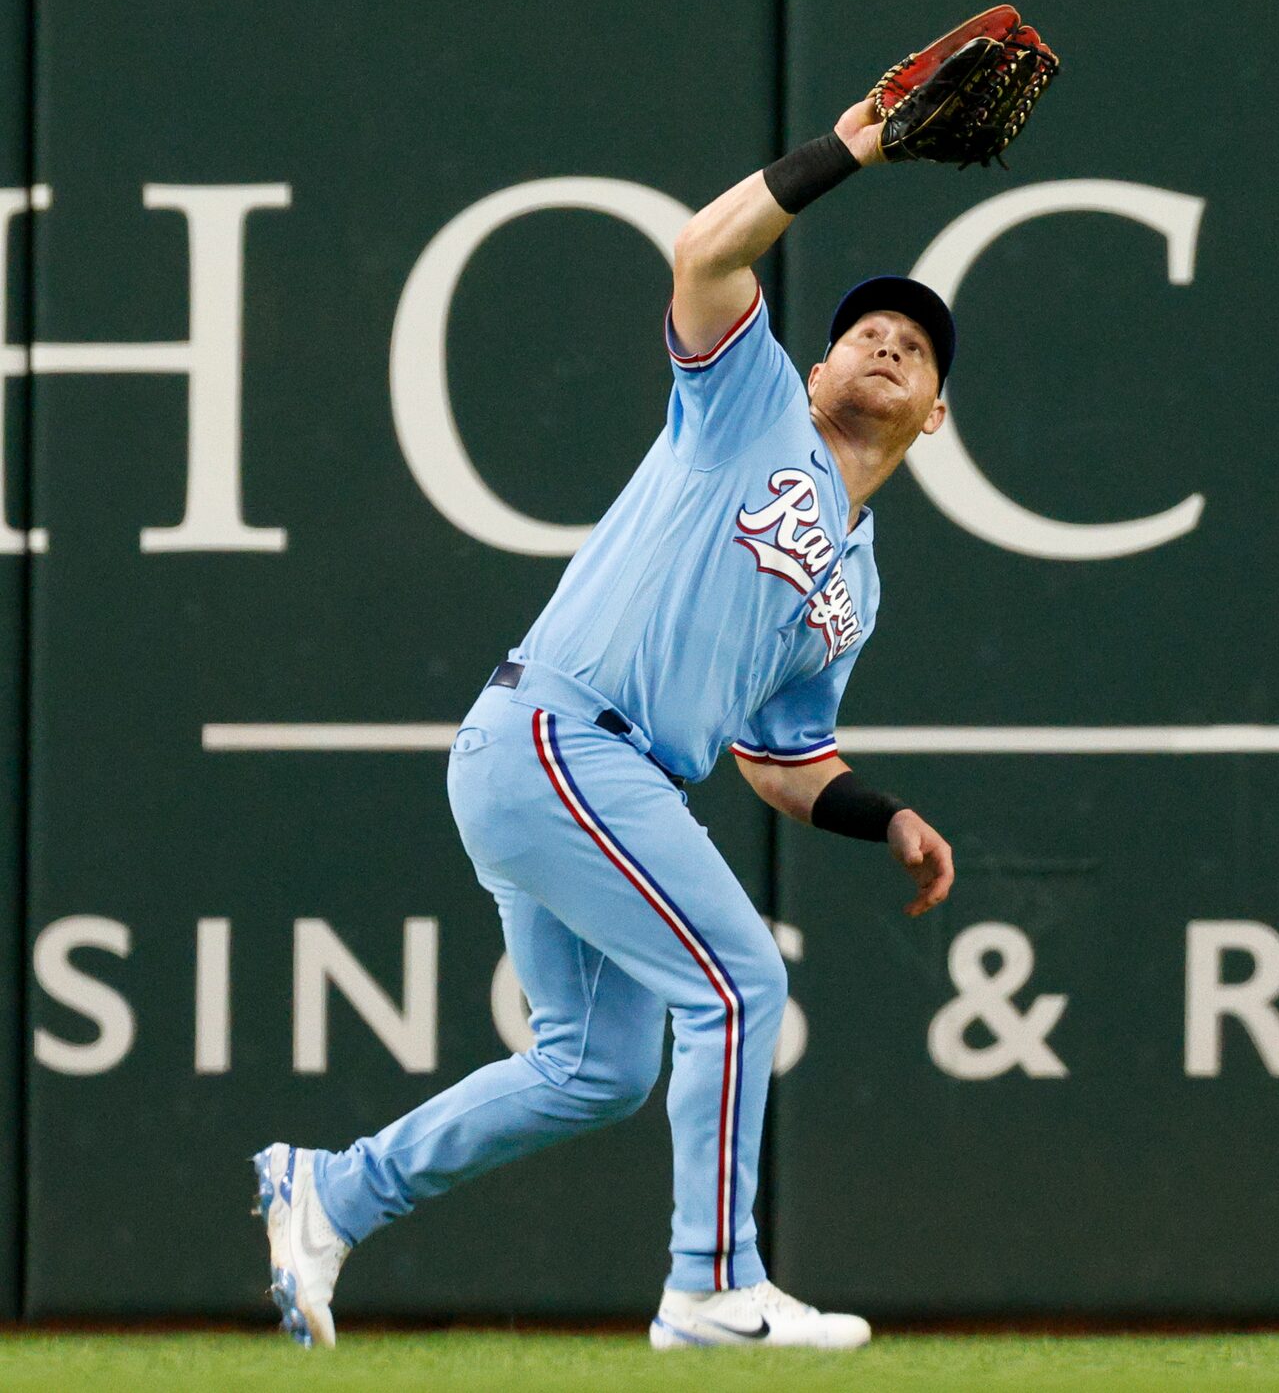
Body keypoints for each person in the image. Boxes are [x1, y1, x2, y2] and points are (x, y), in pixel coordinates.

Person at [253, 92, 958, 1350]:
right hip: (562, 736)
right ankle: (709, 1281)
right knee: (740, 983)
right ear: (817, 365)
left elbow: (781, 760)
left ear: (936, 414)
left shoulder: (858, 582)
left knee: (596, 1069)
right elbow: (702, 253)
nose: (890, 344)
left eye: (916, 344)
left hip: (578, 769)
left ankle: (332, 1191)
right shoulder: (752, 411)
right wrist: (855, 147)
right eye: (866, 330)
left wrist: (884, 813)